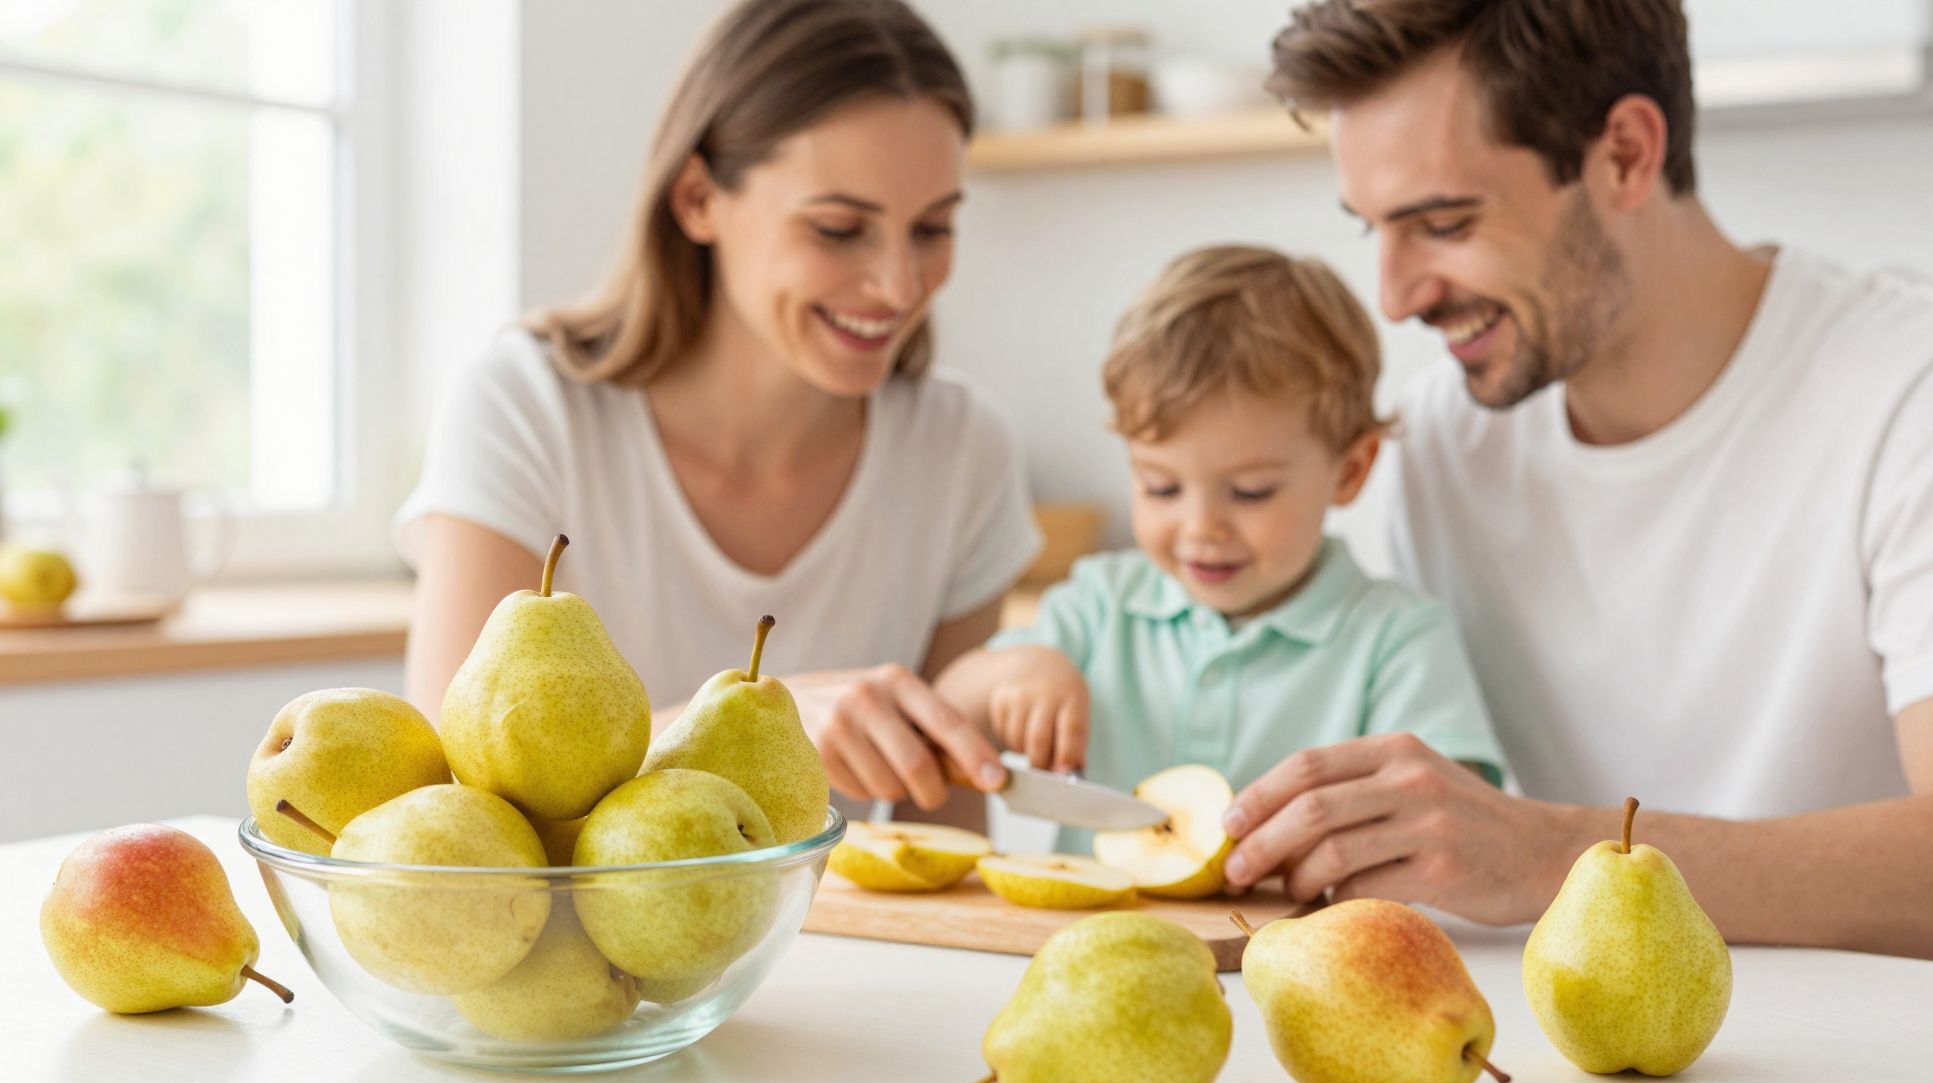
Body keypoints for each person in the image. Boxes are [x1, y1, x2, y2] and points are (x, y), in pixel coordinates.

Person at [1221, 0, 1933, 971]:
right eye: (1372, 230)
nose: (1396, 295)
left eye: (1440, 223)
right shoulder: (1442, 441)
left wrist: (1556, 853)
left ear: (1622, 153)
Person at [395, 0, 1041, 827]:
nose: (900, 285)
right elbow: (460, 803)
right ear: (699, 198)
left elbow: (942, 843)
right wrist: (751, 729)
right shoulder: (525, 408)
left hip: (847, 949)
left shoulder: (962, 451)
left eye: (933, 228)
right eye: (840, 229)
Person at [937, 245, 1507, 853]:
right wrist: (1014, 673)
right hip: (1091, 938)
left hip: (1294, 945)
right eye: (1161, 486)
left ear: (1349, 470)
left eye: (1249, 492)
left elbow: (1457, 813)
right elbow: (949, 709)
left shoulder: (1397, 639)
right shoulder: (1100, 604)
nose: (1200, 526)